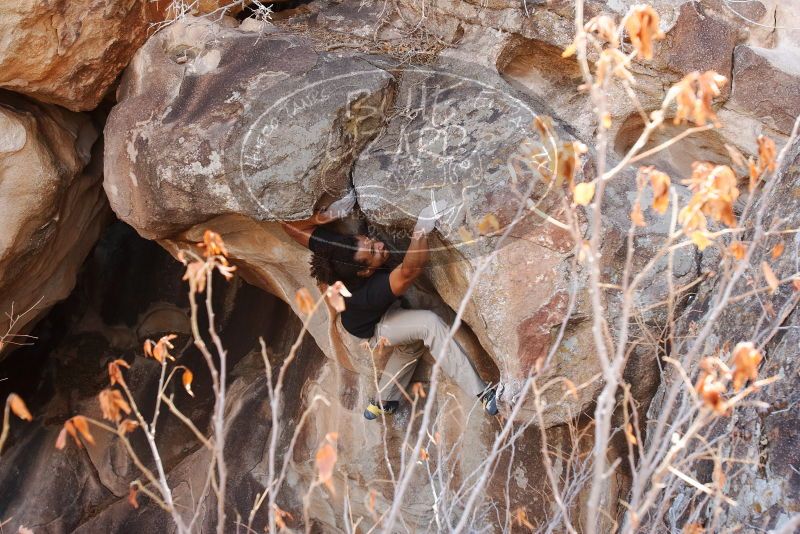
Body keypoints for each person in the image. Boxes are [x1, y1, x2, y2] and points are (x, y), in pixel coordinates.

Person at [280, 191, 498, 420]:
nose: (378, 245)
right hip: (374, 326)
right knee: (428, 324)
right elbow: (409, 271)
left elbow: (290, 228)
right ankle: (483, 393)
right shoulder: (368, 293)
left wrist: (326, 216)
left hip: (364, 315)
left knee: (410, 346)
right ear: (365, 271)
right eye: (373, 253)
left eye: (368, 242)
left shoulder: (341, 250)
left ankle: (383, 401)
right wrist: (421, 229)